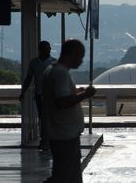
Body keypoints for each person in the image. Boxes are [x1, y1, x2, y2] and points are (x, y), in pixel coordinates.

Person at [42, 39, 96, 183]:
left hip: (62, 132)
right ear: (72, 54)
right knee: (63, 175)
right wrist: (85, 94)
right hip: (64, 134)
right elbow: (62, 102)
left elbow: (62, 95)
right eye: (80, 56)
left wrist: (76, 92)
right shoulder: (61, 73)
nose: (81, 61)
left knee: (71, 175)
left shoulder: (51, 70)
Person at [19, 40, 56, 150]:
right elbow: (29, 78)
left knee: (48, 118)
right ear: (41, 50)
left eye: (49, 48)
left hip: (51, 96)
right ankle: (45, 139)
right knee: (43, 118)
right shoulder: (34, 63)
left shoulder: (54, 62)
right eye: (46, 48)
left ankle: (47, 139)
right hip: (40, 95)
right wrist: (23, 92)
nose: (49, 50)